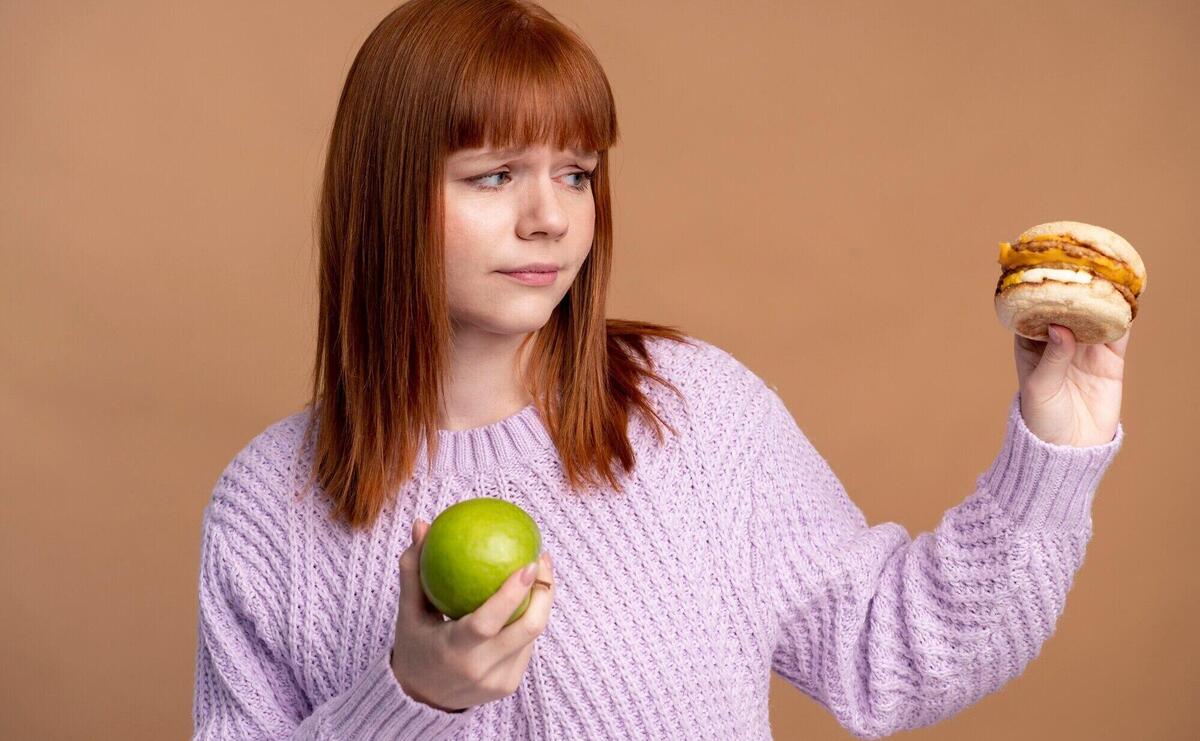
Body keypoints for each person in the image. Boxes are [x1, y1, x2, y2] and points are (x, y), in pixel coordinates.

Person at [191, 0, 1128, 738]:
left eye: (576, 171)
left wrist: (1057, 445)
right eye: (493, 175)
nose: (550, 218)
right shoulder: (267, 507)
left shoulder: (694, 410)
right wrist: (410, 698)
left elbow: (889, 652)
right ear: (386, 192)